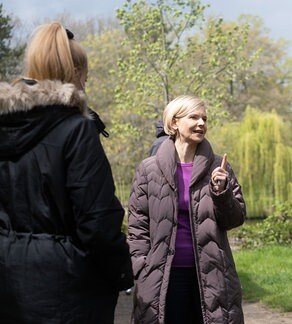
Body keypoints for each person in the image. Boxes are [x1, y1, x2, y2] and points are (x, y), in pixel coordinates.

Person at [0, 22, 133, 323]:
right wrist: (122, 272)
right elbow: (98, 223)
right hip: (67, 291)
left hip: (7, 286)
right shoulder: (77, 130)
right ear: (74, 75)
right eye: (85, 78)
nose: (85, 86)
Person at [128, 95, 246, 324]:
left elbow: (235, 218)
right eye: (194, 117)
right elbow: (137, 225)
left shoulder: (218, 166)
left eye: (204, 118)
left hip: (211, 274)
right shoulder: (148, 169)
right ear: (174, 123)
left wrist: (221, 192)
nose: (202, 123)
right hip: (162, 276)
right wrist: (142, 268)